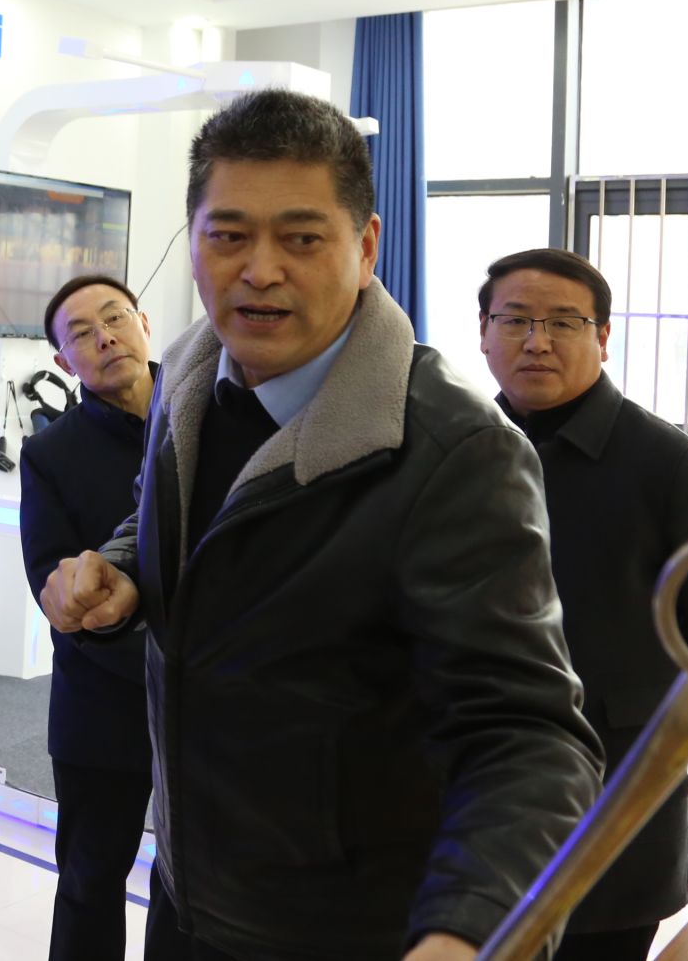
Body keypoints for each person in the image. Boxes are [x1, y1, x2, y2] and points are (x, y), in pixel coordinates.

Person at [38, 88, 603, 961]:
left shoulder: (452, 448)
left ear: (366, 246)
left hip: (348, 926)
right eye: (229, 236)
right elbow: (173, 512)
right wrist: (120, 569)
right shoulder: (186, 378)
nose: (260, 270)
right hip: (187, 890)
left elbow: (528, 735)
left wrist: (470, 927)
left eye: (301, 239)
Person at [478, 247, 688, 961]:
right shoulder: (459, 447)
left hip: (615, 790)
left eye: (563, 322)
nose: (537, 341)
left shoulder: (667, 463)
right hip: (473, 794)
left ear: (602, 337)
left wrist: (633, 701)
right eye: (515, 319)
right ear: (483, 333)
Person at [19, 274, 180, 961]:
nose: (105, 337)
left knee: (192, 885)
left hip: (210, 697)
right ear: (64, 361)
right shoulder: (50, 452)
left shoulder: (215, 409)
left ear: (144, 323)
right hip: (103, 703)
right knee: (90, 880)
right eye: (82, 333)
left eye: (114, 318)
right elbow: (52, 580)